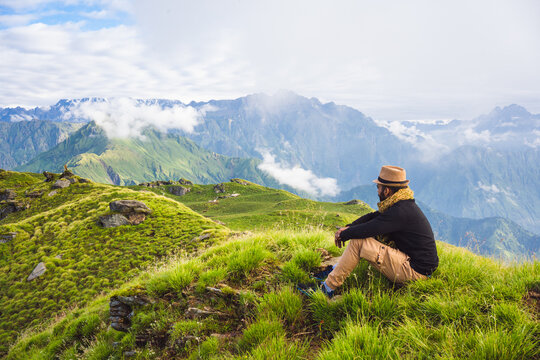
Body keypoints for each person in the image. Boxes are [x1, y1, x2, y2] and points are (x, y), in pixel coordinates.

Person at [320, 165, 439, 298]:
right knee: (362, 237)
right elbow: (374, 217)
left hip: (415, 271)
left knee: (359, 242)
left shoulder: (400, 211)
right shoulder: (401, 204)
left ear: (387, 190)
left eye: (378, 187)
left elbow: (370, 228)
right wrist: (349, 227)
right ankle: (335, 269)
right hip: (417, 266)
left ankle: (327, 288)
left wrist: (344, 234)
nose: (377, 191)